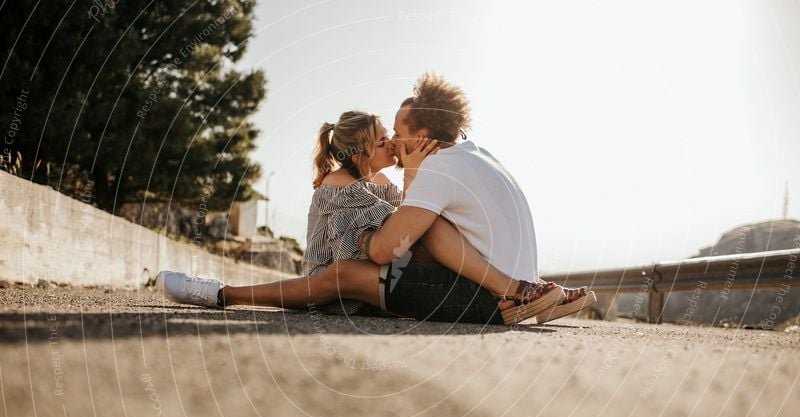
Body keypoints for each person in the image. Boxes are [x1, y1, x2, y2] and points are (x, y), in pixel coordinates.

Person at [157, 76, 594, 325]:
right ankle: (526, 290)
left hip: (487, 298)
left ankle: (222, 295)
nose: (395, 144)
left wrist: (375, 238)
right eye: (386, 139)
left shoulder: (436, 172)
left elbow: (386, 249)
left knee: (355, 267)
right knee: (413, 231)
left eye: (398, 134)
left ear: (421, 137)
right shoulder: (474, 155)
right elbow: (402, 239)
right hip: (508, 281)